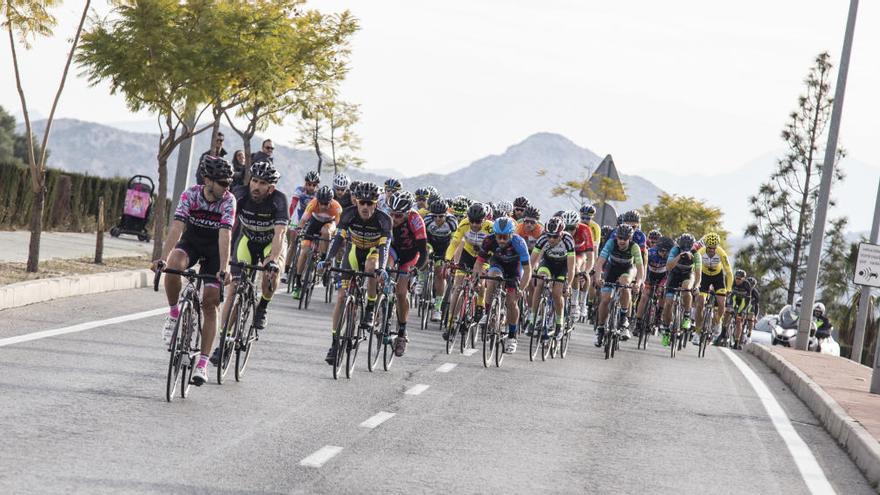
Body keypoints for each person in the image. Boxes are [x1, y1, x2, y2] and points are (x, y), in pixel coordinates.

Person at [152, 156, 235, 386]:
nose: (226, 188)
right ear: (207, 180)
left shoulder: (228, 201)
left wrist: (223, 268)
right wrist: (162, 257)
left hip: (215, 250)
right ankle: (174, 314)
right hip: (192, 243)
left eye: (228, 183)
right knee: (173, 265)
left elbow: (225, 234)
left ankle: (202, 364)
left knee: (210, 302)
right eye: (222, 183)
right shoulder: (191, 195)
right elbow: (177, 226)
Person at [210, 161, 287, 364]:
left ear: (271, 187)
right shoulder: (240, 194)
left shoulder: (279, 200)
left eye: (262, 183)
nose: (256, 186)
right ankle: (223, 341)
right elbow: (227, 226)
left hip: (271, 243)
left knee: (272, 273)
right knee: (235, 287)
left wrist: (272, 261)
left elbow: (280, 234)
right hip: (248, 240)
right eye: (254, 180)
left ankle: (263, 305)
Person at [321, 182, 392, 365]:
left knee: (371, 267)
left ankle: (369, 308)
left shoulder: (384, 220)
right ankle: (335, 343)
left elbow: (384, 247)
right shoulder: (349, 213)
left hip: (373, 253)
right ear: (357, 202)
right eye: (362, 203)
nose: (366, 207)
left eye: (370, 203)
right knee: (342, 297)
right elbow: (339, 239)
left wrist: (381, 268)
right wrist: (328, 259)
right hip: (353, 253)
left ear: (376, 203)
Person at [473, 216, 532, 353]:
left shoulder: (519, 243)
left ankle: (512, 337)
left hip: (515, 269)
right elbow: (479, 263)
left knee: (512, 302)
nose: (501, 240)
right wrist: (476, 278)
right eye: (499, 237)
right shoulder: (489, 240)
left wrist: (521, 288)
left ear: (511, 235)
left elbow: (528, 269)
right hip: (497, 264)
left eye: (505, 237)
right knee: (492, 278)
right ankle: (488, 313)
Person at [444, 202, 494, 340]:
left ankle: (479, 305)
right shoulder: (464, 224)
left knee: (480, 283)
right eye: (472, 220)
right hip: (468, 254)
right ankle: (450, 324)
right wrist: (448, 260)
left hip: (485, 257)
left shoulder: (490, 228)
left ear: (484, 219)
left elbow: (497, 248)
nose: (475, 224)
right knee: (457, 287)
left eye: (478, 221)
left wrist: (491, 267)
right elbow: (454, 243)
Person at [387, 191, 429, 356]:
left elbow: (423, 251)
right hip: (392, 250)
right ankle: (379, 305)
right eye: (391, 214)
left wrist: (416, 268)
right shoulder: (387, 215)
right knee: (384, 268)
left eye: (398, 216)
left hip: (410, 255)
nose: (394, 219)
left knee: (401, 293)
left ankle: (402, 333)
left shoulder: (415, 219)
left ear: (406, 213)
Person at [593, 224, 644, 344]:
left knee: (625, 283)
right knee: (605, 300)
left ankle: (623, 316)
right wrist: (598, 277)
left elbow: (640, 268)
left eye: (624, 239)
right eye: (619, 238)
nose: (621, 241)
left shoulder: (634, 247)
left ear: (629, 238)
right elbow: (600, 262)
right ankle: (600, 328)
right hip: (612, 269)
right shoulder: (611, 243)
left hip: (627, 269)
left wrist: (638, 283)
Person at [527, 216, 575, 340]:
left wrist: (568, 284)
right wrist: (529, 275)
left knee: (557, 293)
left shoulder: (568, 240)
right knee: (540, 282)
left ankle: (559, 324)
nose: (551, 239)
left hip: (562, 266)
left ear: (561, 234)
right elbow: (532, 261)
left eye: (555, 236)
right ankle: (532, 319)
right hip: (548, 263)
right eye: (549, 235)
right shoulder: (543, 239)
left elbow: (571, 267)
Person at [291, 185, 342, 299]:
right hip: (314, 222)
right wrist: (299, 230)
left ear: (331, 201)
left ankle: (323, 260)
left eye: (326, 203)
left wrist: (338, 236)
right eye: (321, 203)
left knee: (326, 231)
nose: (323, 206)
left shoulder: (336, 207)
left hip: (329, 223)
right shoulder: (313, 203)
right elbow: (303, 220)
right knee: (304, 251)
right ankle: (298, 282)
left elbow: (339, 226)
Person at [660, 233, 702, 347]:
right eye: (683, 248)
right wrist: (680, 256)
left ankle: (687, 316)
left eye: (688, 248)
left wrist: (697, 286)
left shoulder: (696, 254)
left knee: (687, 288)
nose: (686, 250)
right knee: (668, 303)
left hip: (688, 274)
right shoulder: (675, 250)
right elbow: (668, 267)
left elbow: (698, 274)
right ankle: (667, 331)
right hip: (674, 274)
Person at [281, 171, 320, 283]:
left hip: (313, 219)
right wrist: (287, 218)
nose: (311, 187)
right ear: (305, 183)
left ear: (317, 185)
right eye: (309, 184)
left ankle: (311, 267)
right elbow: (293, 205)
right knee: (293, 243)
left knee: (312, 244)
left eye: (314, 185)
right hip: (300, 218)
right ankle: (286, 272)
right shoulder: (299, 190)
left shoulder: (318, 194)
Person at [424, 198, 459, 321]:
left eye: (441, 216)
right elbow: (423, 238)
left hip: (445, 247)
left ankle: (437, 307)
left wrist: (449, 258)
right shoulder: (427, 220)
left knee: (439, 273)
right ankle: (420, 280)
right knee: (424, 258)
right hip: (431, 243)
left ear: (446, 214)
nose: (438, 219)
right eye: (435, 216)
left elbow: (455, 242)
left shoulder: (452, 222)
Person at [694, 232, 733, 337]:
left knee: (721, 302)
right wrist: (695, 283)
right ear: (706, 246)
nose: (711, 250)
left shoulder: (721, 253)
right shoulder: (700, 252)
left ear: (717, 246)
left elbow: (729, 272)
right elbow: (694, 269)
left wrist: (729, 288)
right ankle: (697, 331)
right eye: (709, 248)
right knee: (700, 303)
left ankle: (717, 322)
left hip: (718, 277)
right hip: (704, 276)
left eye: (714, 248)